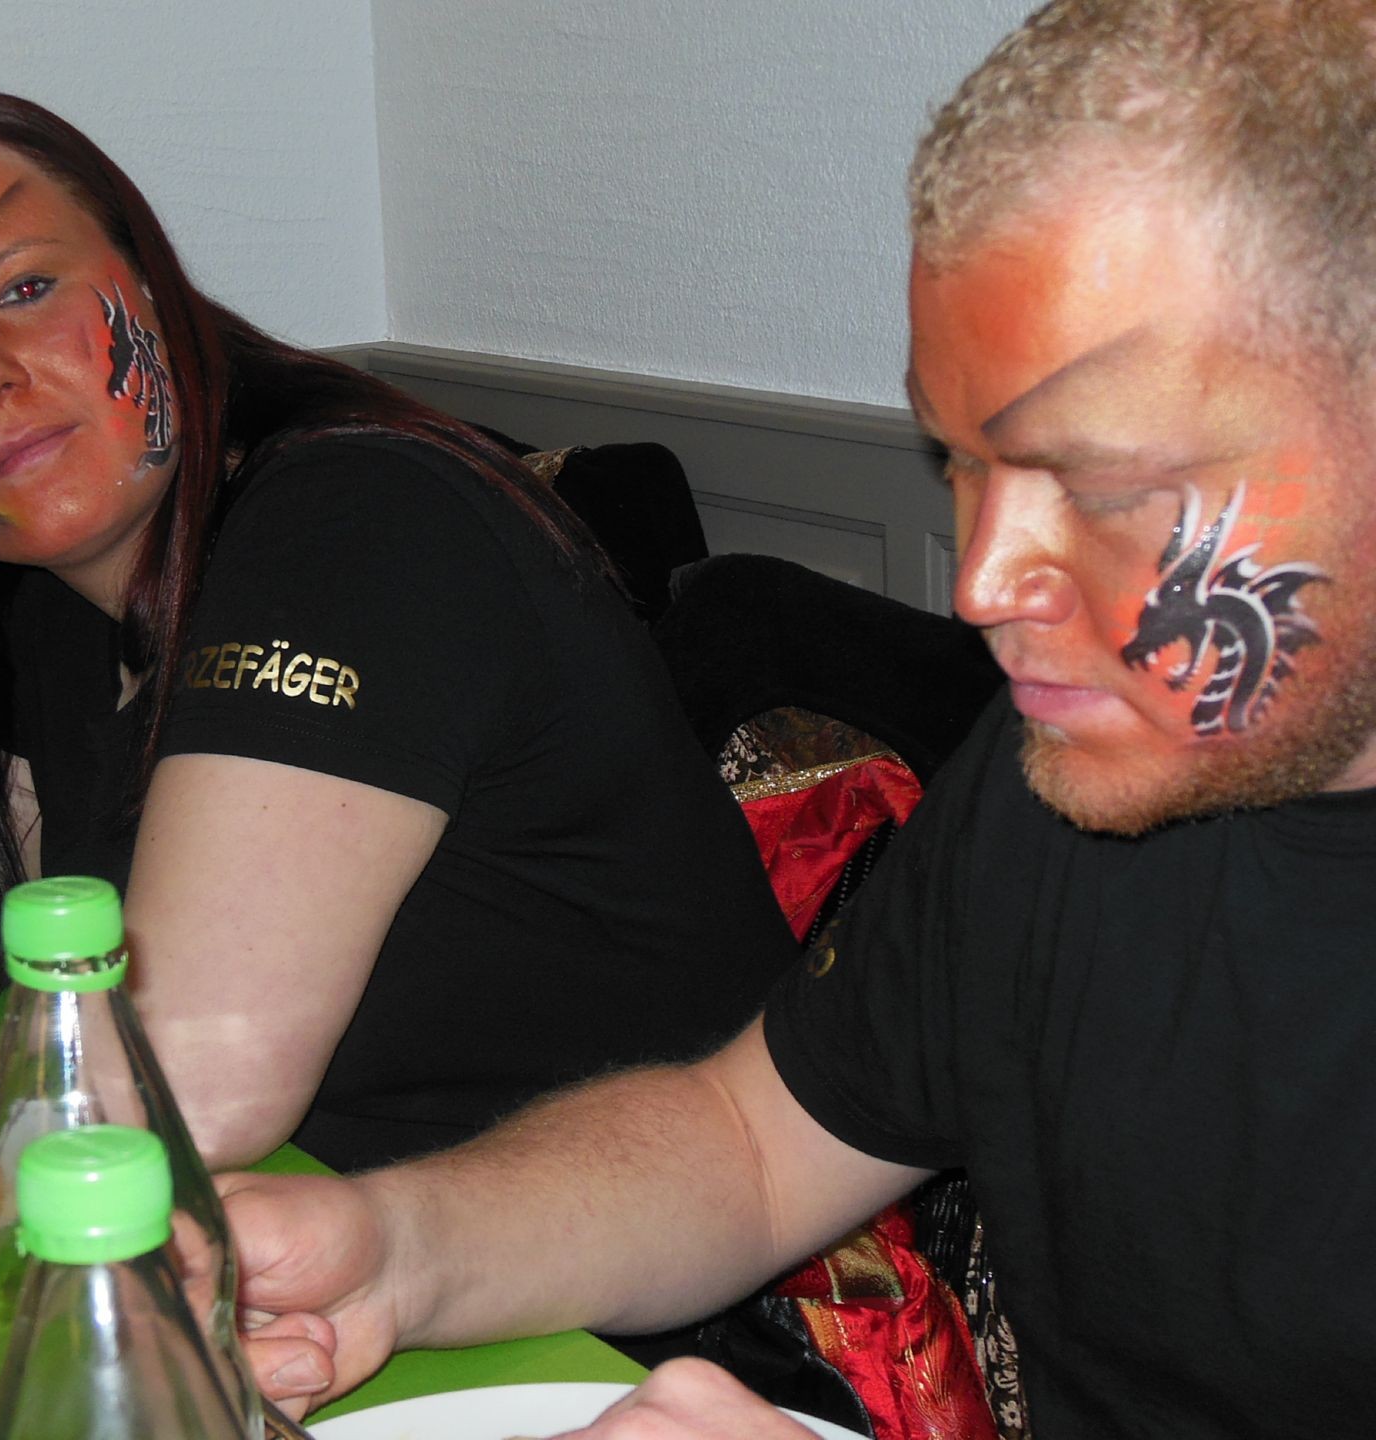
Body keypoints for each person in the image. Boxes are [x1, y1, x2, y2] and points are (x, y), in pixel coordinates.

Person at [222, 1, 1376, 1432]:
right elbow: (751, 1148)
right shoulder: (1076, 772)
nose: (983, 582)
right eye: (960, 460)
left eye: (1106, 485)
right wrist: (397, 1254)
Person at [0, 78, 798, 1173]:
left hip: (662, 1291)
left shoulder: (353, 526)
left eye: (25, 288)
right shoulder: (65, 609)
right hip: (375, 1252)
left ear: (149, 285)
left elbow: (193, 1086)